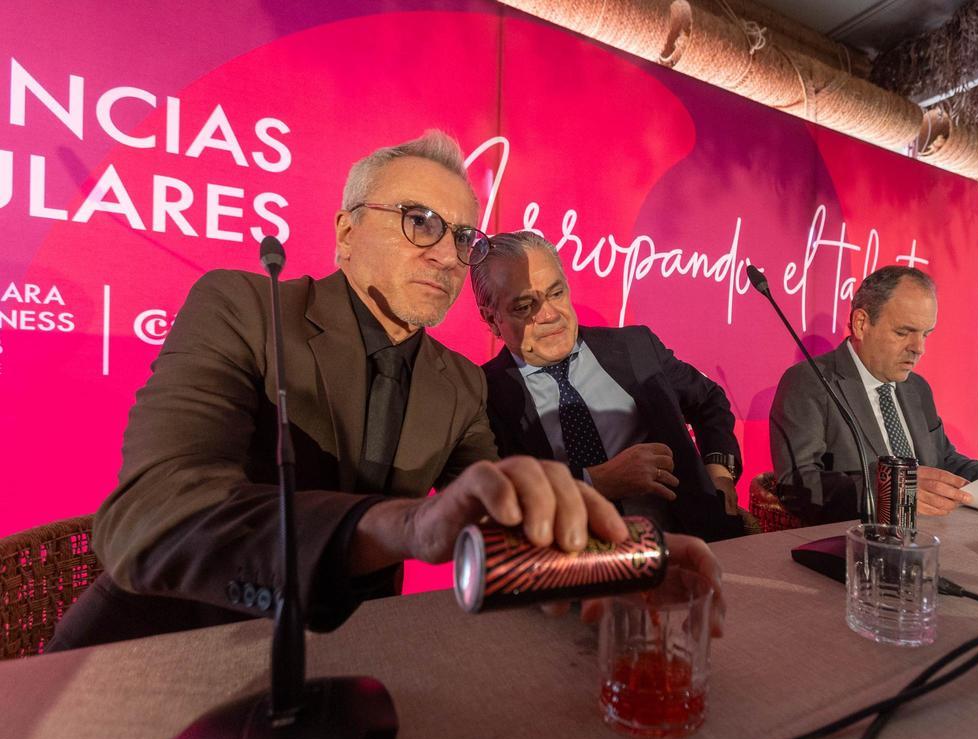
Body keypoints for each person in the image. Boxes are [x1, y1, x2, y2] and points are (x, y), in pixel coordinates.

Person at [51, 132, 724, 650]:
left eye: (462, 237)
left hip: (356, 657)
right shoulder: (245, 308)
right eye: (419, 220)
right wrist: (405, 525)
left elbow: (503, 519)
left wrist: (634, 559)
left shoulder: (459, 382)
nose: (445, 254)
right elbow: (150, 516)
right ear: (346, 232)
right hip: (153, 659)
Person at [471, 231, 745, 542]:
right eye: (524, 306)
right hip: (564, 562)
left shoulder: (635, 347)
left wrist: (719, 474)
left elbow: (708, 400)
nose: (549, 315)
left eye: (556, 293)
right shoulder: (483, 394)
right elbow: (496, 498)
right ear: (491, 319)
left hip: (692, 546)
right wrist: (595, 481)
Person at [769, 265, 978, 524]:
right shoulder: (810, 382)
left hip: (936, 537)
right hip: (856, 544)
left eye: (925, 334)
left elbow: (944, 463)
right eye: (903, 332)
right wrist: (894, 491)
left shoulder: (916, 388)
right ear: (862, 324)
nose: (919, 348)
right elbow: (797, 486)